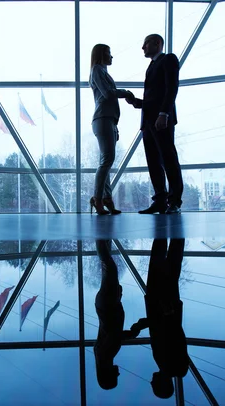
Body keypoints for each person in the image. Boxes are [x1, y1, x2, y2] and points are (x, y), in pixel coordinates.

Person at [126, 34, 184, 214]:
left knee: (168, 159)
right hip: (149, 121)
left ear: (157, 43)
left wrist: (164, 113)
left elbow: (171, 88)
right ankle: (160, 200)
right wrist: (136, 102)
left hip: (160, 119)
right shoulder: (151, 66)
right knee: (153, 162)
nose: (143, 48)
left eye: (146, 44)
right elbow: (153, 97)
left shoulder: (168, 59)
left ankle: (174, 201)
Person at [130, 238, 189, 399]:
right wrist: (143, 324)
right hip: (161, 305)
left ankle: (176, 230)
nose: (151, 380)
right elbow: (165, 332)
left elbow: (177, 337)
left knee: (173, 265)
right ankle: (162, 228)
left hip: (169, 307)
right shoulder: (166, 363)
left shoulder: (178, 367)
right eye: (154, 384)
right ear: (162, 384)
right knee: (159, 261)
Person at [89, 44, 134, 215]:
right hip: (103, 119)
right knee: (106, 161)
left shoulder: (102, 71)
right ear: (101, 55)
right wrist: (126, 93)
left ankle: (106, 198)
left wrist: (114, 124)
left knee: (106, 162)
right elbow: (108, 94)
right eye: (108, 53)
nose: (112, 56)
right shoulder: (97, 70)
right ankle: (98, 199)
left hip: (109, 121)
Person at [94, 239, 137, 389]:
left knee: (110, 267)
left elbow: (114, 334)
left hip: (108, 305)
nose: (118, 373)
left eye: (115, 377)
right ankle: (105, 235)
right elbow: (114, 334)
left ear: (108, 374)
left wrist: (131, 334)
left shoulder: (105, 356)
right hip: (106, 305)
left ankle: (99, 236)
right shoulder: (103, 356)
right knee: (108, 268)